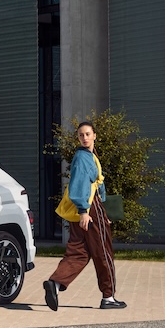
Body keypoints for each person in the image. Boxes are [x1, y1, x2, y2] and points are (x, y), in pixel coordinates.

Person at [44, 119, 124, 312]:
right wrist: (84, 211)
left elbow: (99, 184)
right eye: (81, 135)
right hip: (89, 208)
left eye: (88, 134)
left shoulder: (90, 155)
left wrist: (105, 210)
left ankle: (55, 283)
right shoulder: (82, 157)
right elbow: (79, 185)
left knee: (78, 252)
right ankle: (108, 297)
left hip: (89, 209)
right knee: (103, 251)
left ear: (94, 135)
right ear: (78, 138)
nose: (85, 137)